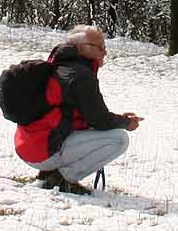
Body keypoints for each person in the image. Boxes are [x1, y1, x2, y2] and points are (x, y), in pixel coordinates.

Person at [14, 24, 141, 195]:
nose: (105, 52)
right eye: (100, 48)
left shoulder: (60, 63)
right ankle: (62, 179)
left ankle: (50, 173)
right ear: (82, 48)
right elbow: (100, 120)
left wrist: (118, 119)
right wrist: (127, 123)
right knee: (119, 139)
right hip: (43, 150)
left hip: (29, 145)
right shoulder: (79, 75)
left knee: (104, 132)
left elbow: (80, 114)